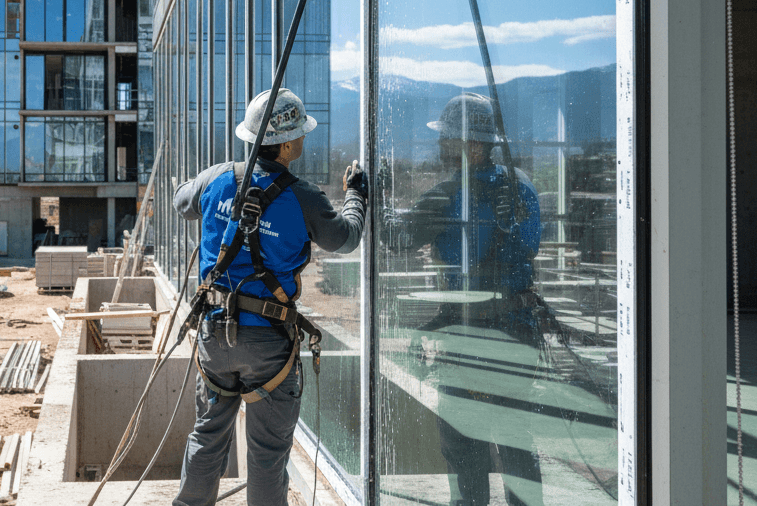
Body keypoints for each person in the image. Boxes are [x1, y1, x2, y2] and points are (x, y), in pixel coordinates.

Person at [172, 87, 368, 506]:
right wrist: (357, 194)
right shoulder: (304, 198)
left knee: (207, 435)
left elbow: (181, 201)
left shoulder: (217, 177)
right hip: (268, 341)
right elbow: (346, 238)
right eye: (301, 134)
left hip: (215, 336)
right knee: (266, 455)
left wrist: (216, 179)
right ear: (289, 142)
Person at [384, 92, 544, 506]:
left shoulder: (448, 195)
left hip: (472, 334)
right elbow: (530, 247)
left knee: (464, 443)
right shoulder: (522, 187)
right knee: (514, 439)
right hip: (518, 330)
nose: (440, 146)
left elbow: (396, 238)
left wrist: (375, 196)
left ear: (472, 145)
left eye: (448, 139)